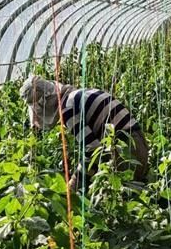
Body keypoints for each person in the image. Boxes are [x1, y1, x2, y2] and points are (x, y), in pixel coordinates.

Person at [20, 74, 149, 192]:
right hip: (136, 143)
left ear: (43, 105)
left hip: (126, 151)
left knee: (121, 198)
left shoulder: (68, 110)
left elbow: (92, 150)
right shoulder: (76, 96)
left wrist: (74, 183)